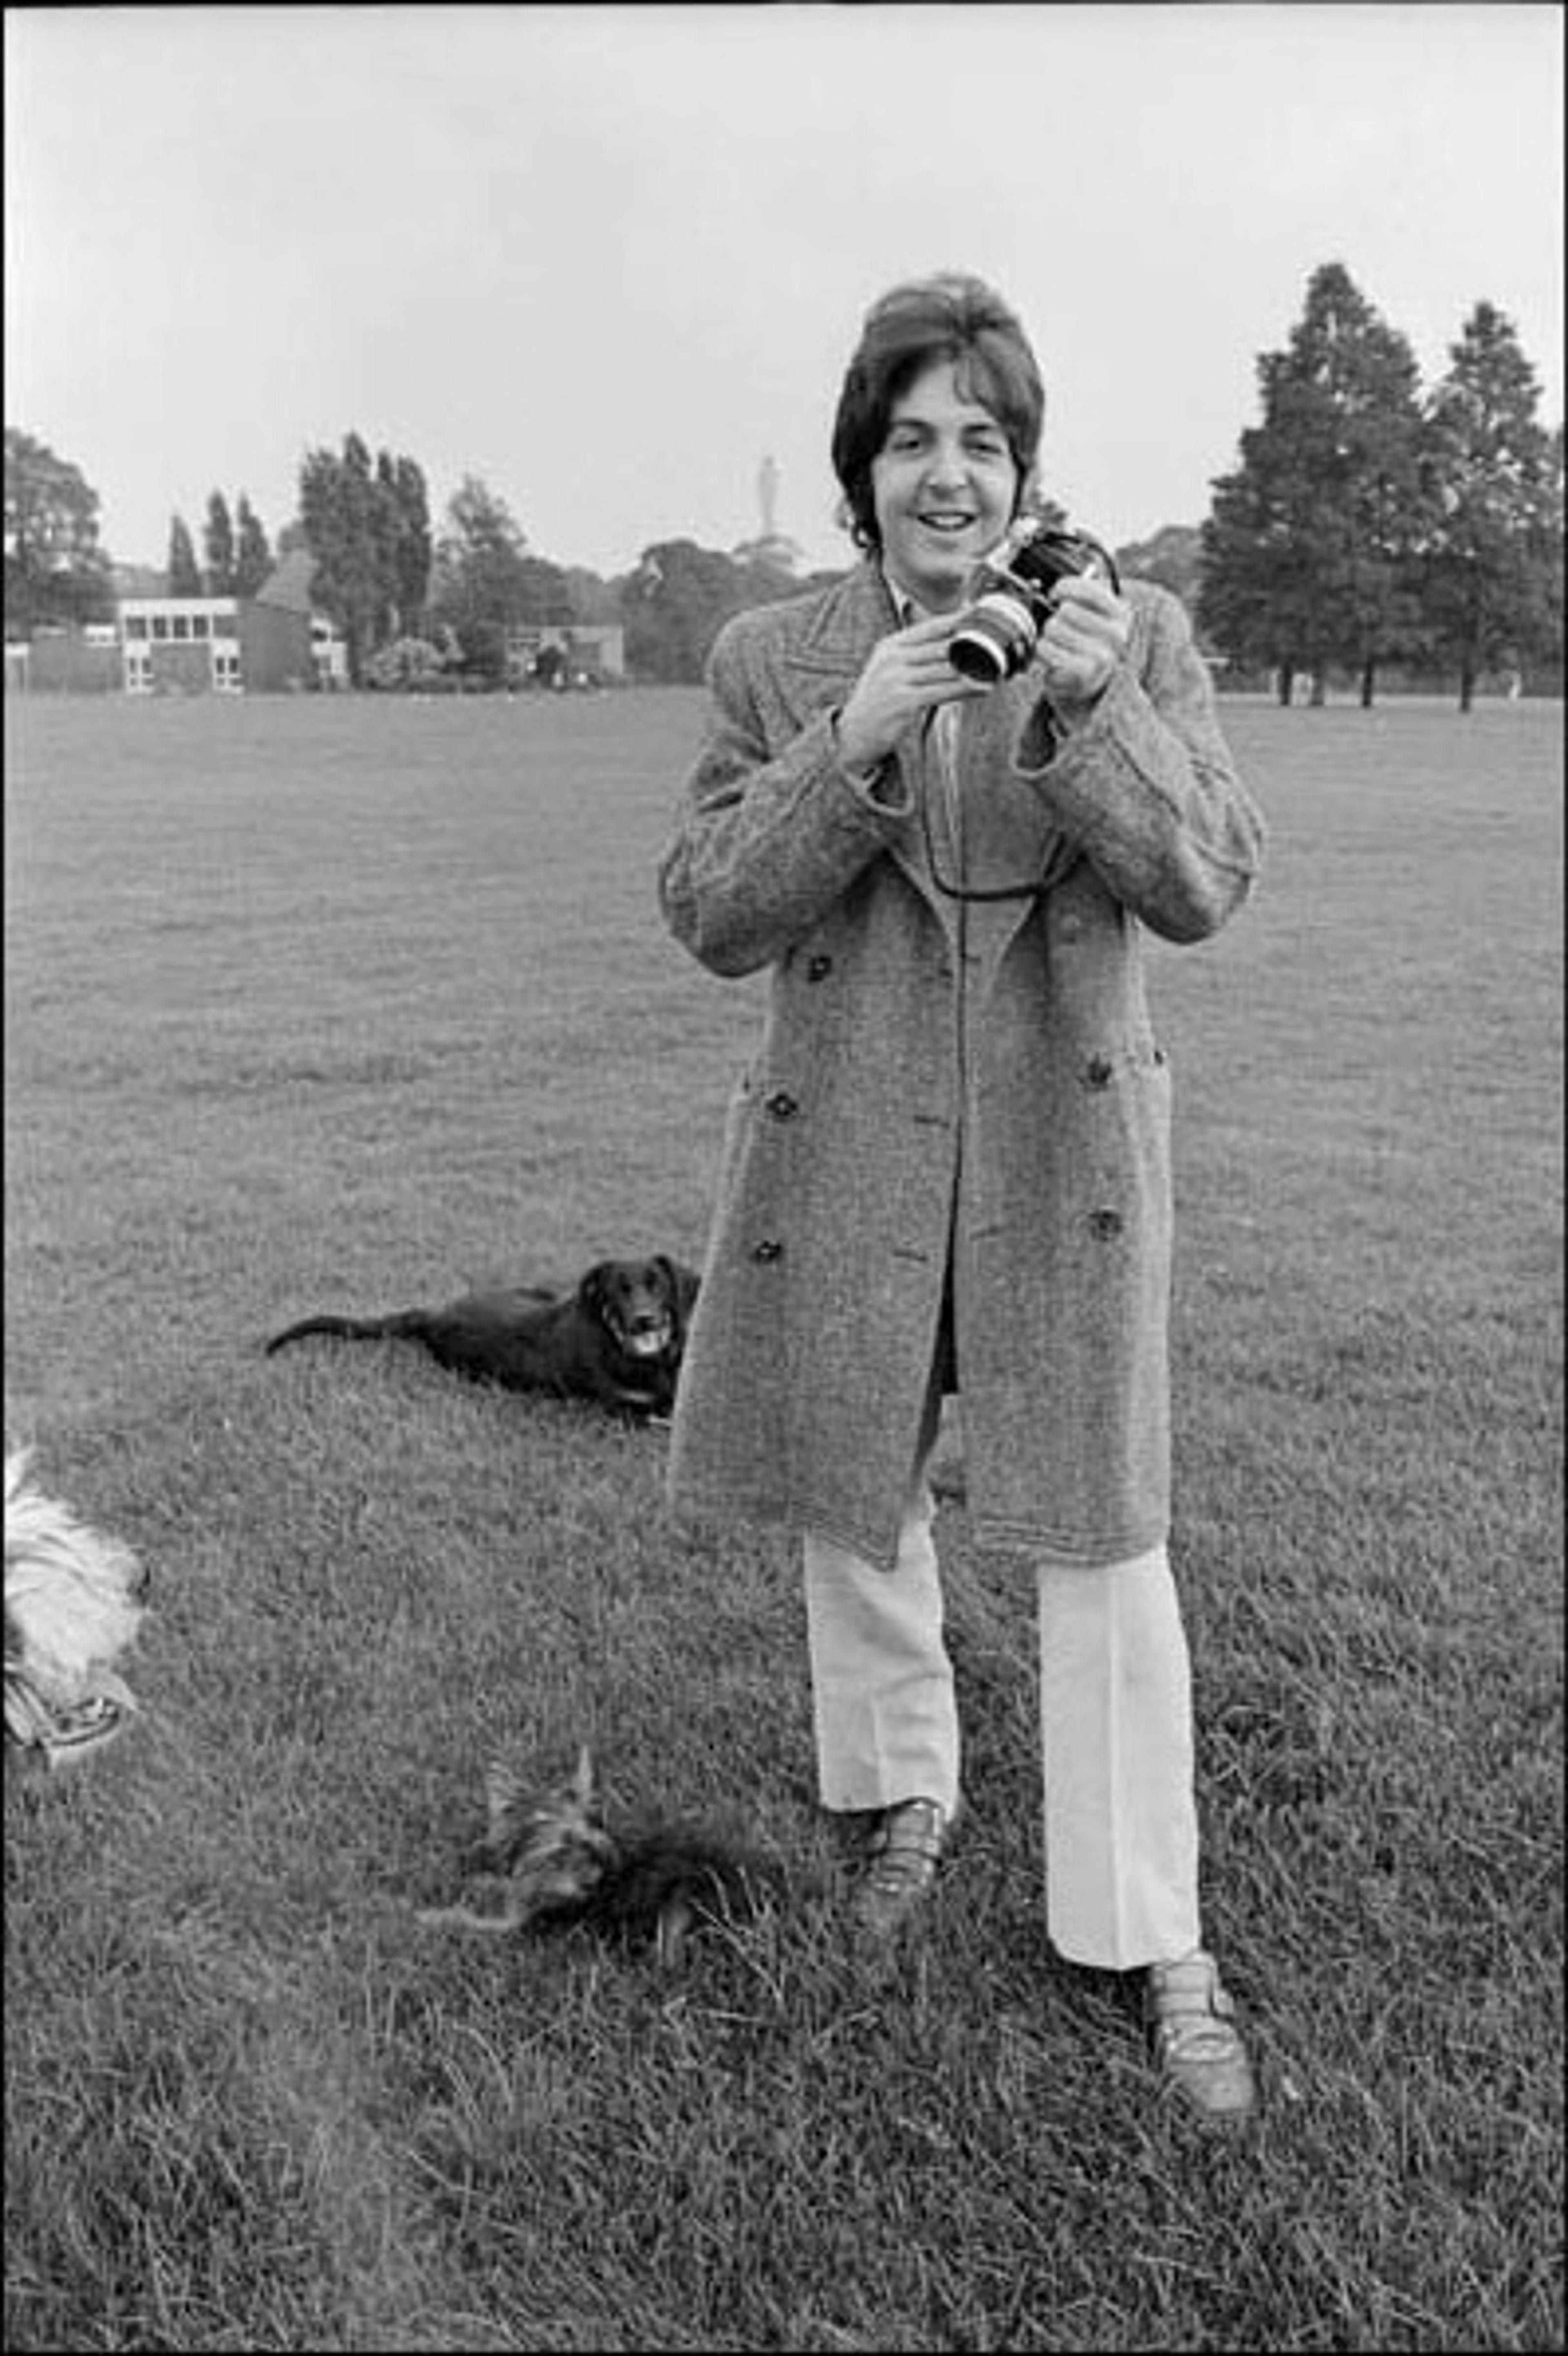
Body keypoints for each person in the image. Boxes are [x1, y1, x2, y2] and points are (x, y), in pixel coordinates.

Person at [656, 272, 1266, 2124]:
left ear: (1025, 472)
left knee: (1107, 1530)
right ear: (862, 469)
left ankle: (1147, 1927)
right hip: (849, 1128)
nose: (948, 475)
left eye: (982, 442)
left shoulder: (1133, 630)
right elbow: (711, 910)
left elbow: (1206, 882)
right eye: (912, 439)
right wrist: (848, 739)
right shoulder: (774, 659)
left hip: (1063, 1147)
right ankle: (902, 1796)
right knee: (855, 1486)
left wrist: (1093, 704)